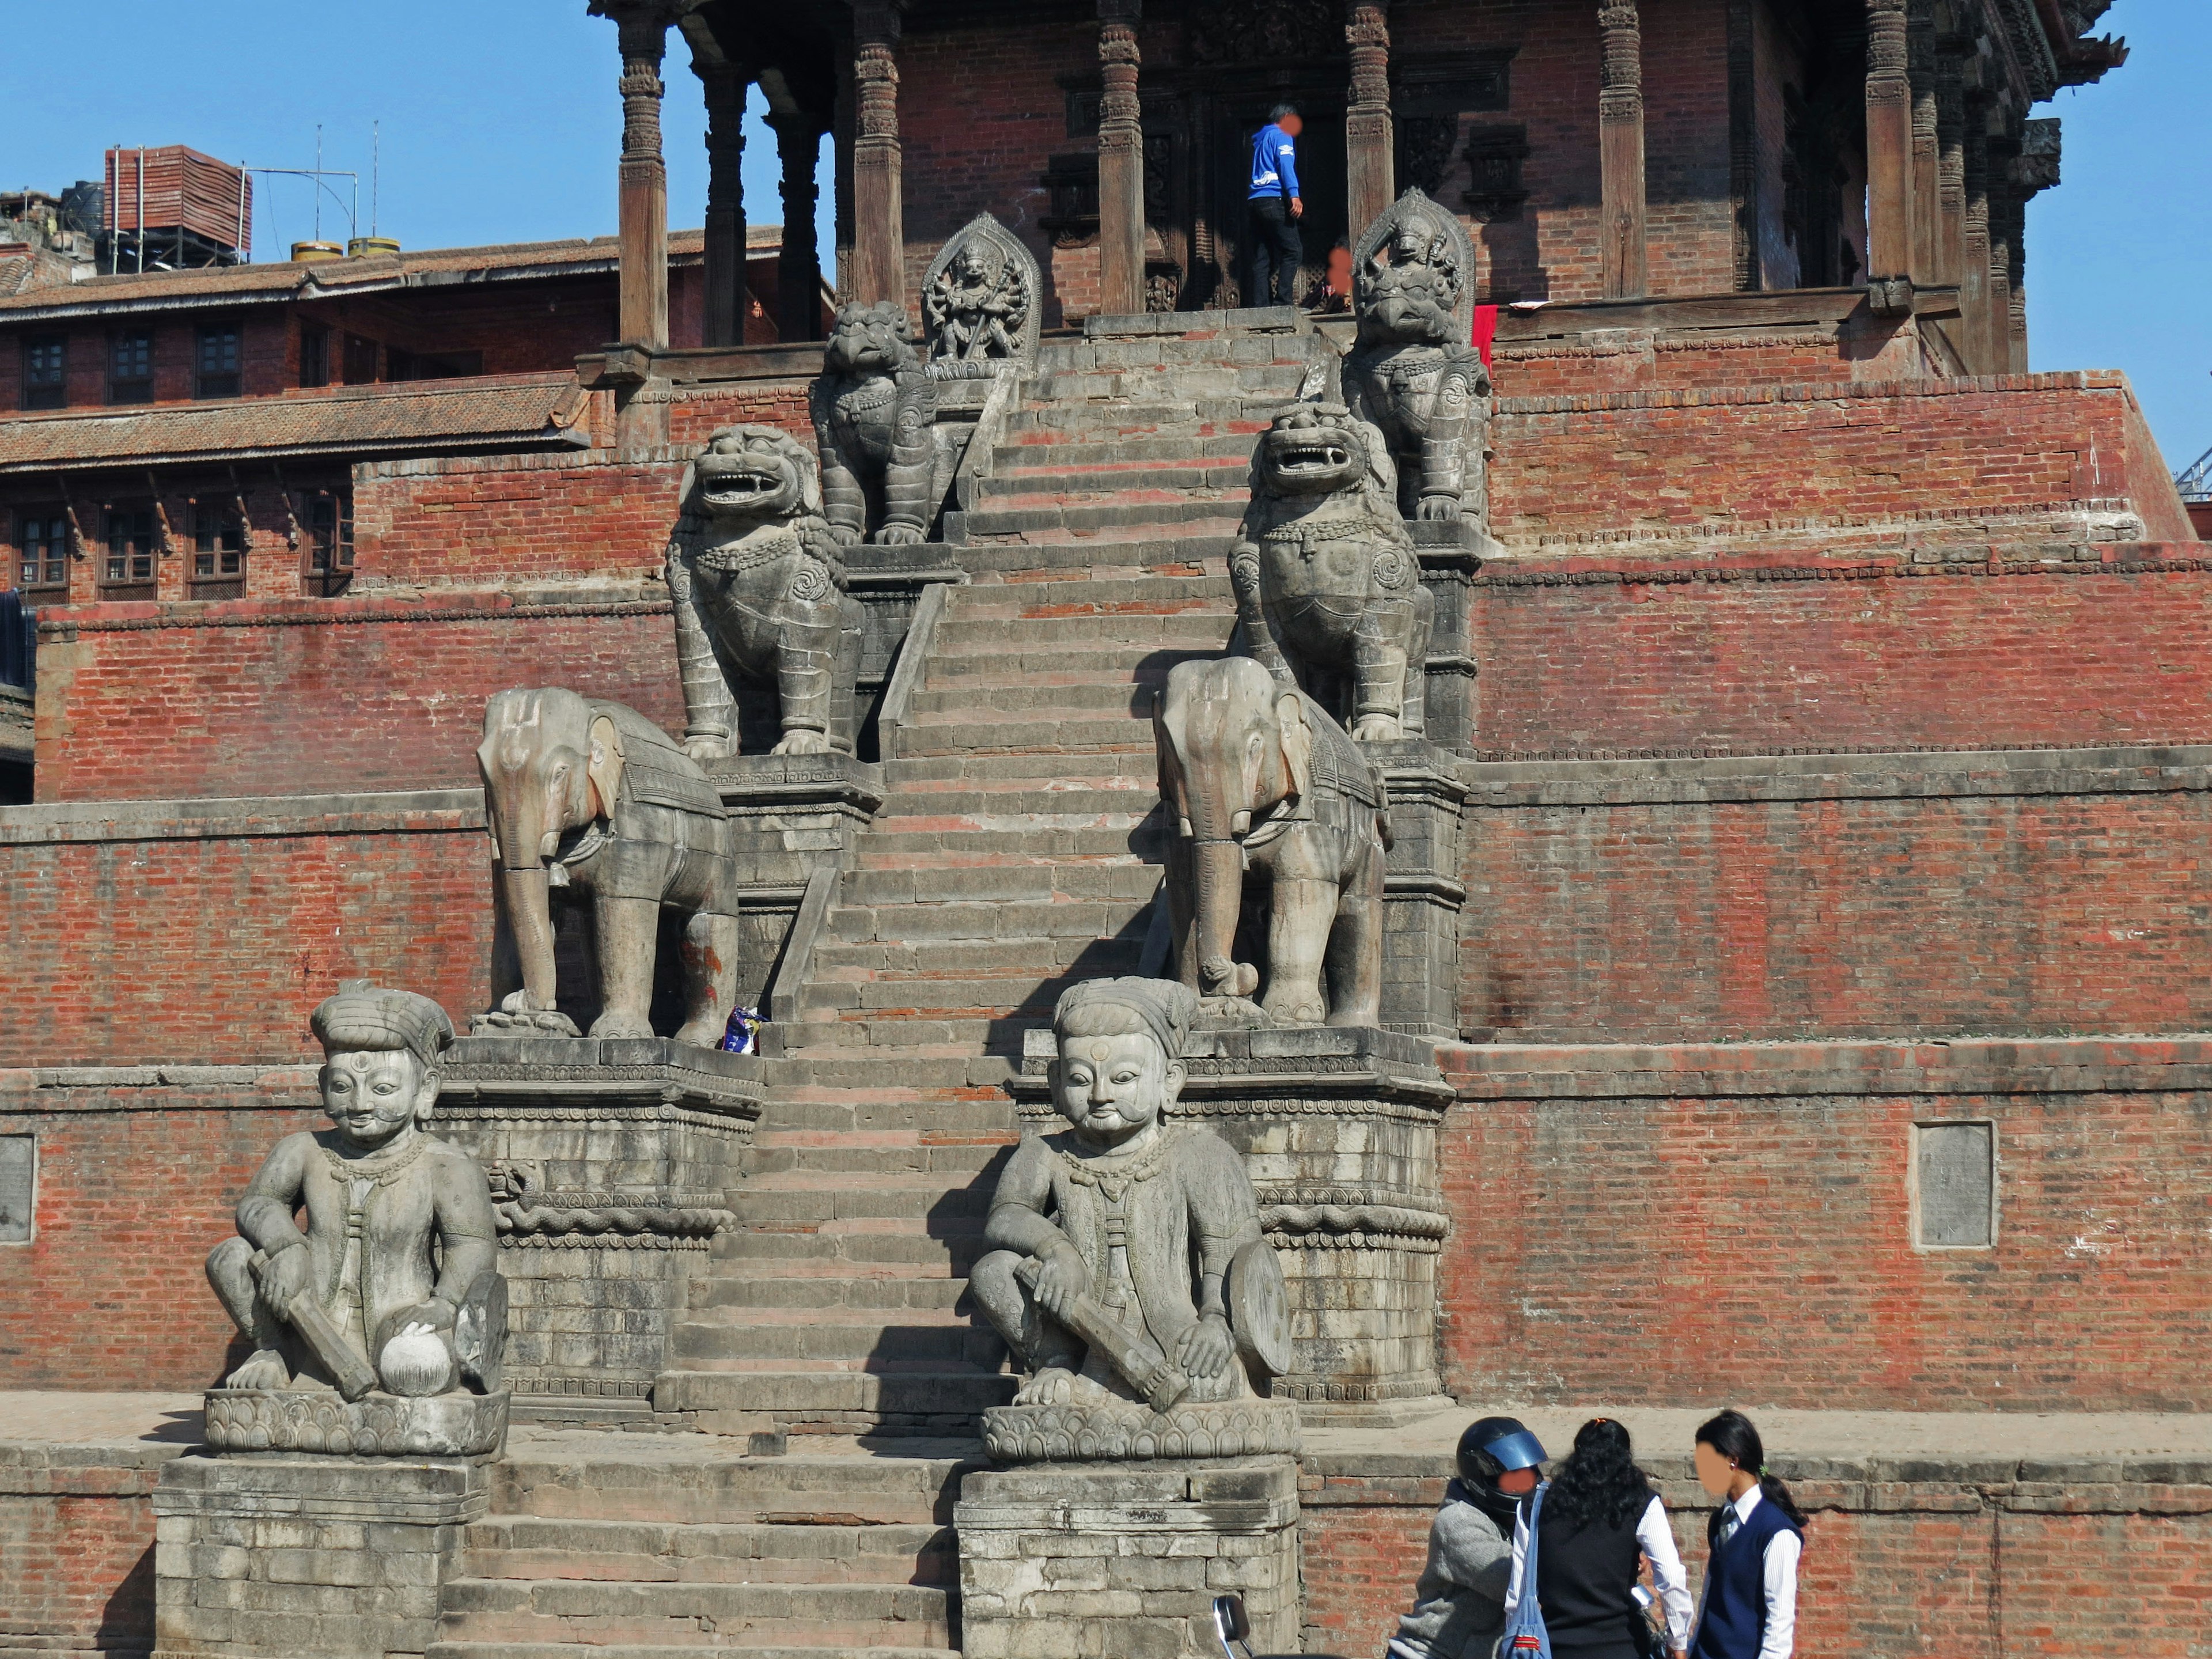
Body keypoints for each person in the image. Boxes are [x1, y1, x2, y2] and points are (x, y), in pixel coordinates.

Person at [1502, 1418, 1694, 1659]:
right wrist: (1678, 1642)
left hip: (1557, 1649)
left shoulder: (1535, 1506)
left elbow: (1517, 1594)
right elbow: (1672, 1579)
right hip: (1624, 1648)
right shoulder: (1641, 1503)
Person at [1385, 1415, 1548, 1659]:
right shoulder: (1456, 1522)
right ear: (1482, 1477)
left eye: (1529, 1476)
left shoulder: (1520, 1520)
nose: (1526, 1486)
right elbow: (1514, 1580)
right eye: (1514, 1480)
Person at [1686, 1411, 1806, 1659]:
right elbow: (1710, 1597)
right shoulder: (1721, 1520)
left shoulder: (1777, 1532)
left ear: (1732, 1460)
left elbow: (1780, 1620)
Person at [1247, 102, 1306, 307]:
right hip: (1275, 198)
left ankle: (1260, 305)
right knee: (1293, 251)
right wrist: (1294, 194)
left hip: (1255, 200)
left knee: (1262, 256)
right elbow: (1285, 164)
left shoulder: (1259, 140)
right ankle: (1283, 302)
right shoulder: (1282, 135)